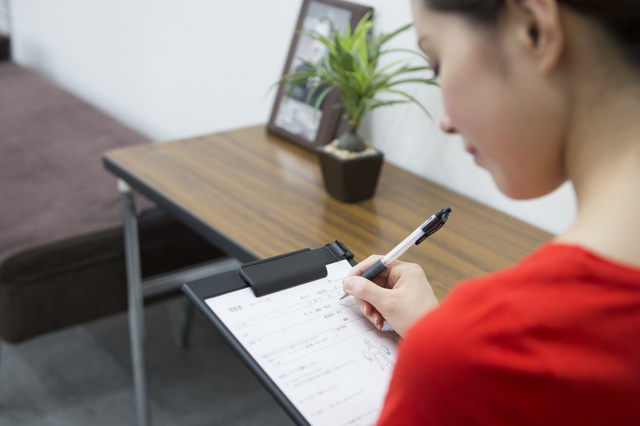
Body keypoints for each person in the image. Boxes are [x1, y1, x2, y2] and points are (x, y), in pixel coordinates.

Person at [341, 0, 640, 424]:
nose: (444, 121)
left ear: (534, 28)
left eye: (436, 62)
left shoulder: (485, 356)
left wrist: (456, 349)